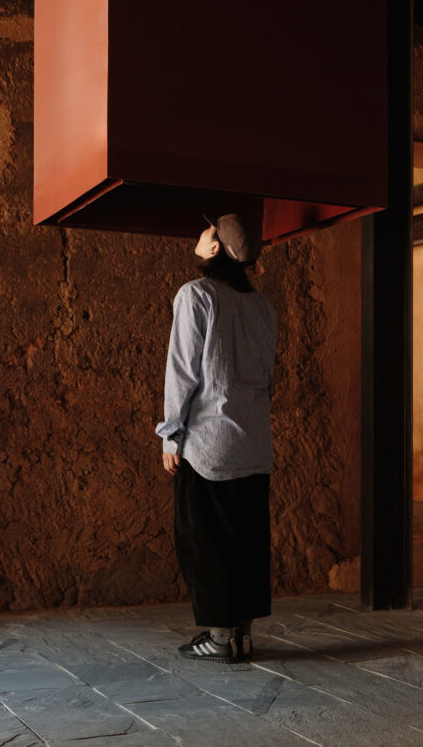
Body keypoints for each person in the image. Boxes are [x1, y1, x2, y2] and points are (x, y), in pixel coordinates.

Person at [155, 213, 277, 662]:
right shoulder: (263, 307)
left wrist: (171, 435)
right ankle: (241, 633)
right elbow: (267, 379)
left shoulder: (196, 296)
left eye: (207, 232)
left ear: (214, 249)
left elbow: (182, 372)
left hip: (208, 445)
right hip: (253, 445)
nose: (201, 234)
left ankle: (220, 638)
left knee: (205, 541)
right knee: (246, 540)